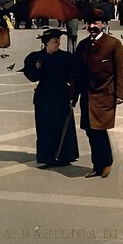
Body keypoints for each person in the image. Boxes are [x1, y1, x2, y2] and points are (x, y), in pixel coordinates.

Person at [74, 3, 123, 178]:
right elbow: (77, 73)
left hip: (104, 95)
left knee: (99, 129)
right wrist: (73, 96)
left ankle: (105, 163)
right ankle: (97, 165)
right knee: (90, 131)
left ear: (103, 24)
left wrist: (120, 94)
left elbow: (121, 71)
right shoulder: (82, 46)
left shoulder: (113, 44)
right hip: (87, 96)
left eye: (96, 23)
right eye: (89, 23)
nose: (92, 26)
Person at [23, 30, 79, 168]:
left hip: (61, 95)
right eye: (55, 41)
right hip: (44, 97)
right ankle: (47, 157)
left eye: (59, 41)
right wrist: (36, 68)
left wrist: (73, 95)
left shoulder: (66, 57)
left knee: (62, 126)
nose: (58, 43)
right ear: (46, 43)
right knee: (44, 127)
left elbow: (73, 77)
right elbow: (32, 76)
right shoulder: (36, 57)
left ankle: (64, 156)